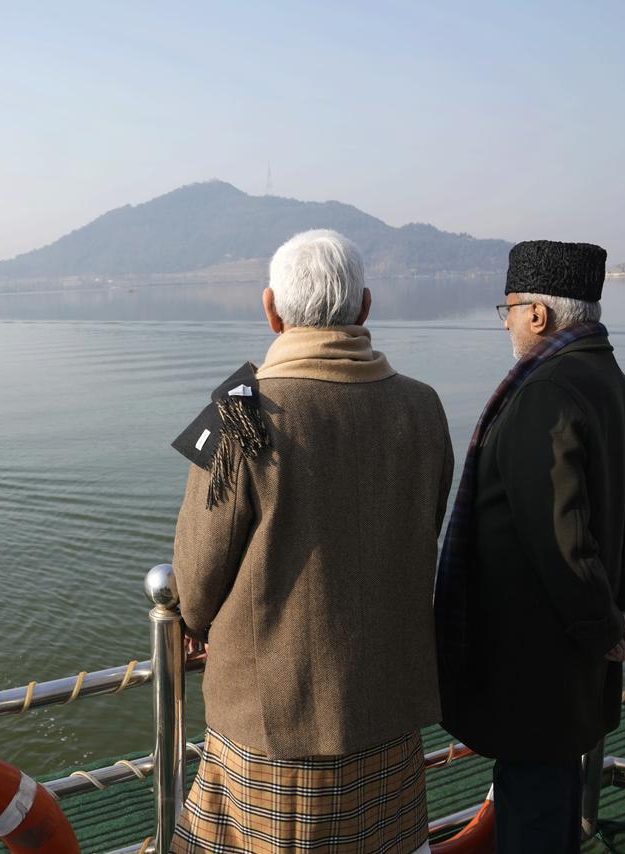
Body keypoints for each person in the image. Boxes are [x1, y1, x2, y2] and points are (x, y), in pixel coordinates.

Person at [169, 229, 454, 854]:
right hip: (388, 710)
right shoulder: (423, 407)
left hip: (274, 726)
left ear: (271, 309)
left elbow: (194, 581)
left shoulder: (240, 410)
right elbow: (424, 525)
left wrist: (192, 619)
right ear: (367, 307)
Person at [434, 240, 625, 853]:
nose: (505, 321)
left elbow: (560, 539)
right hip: (574, 661)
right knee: (551, 797)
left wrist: (601, 626)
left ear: (538, 314)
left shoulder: (546, 392)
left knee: (532, 805)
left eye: (507, 308)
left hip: (536, 660)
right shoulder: (612, 382)